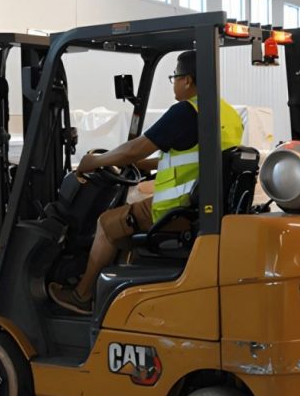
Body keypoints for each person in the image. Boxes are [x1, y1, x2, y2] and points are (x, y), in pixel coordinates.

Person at [48, 50, 244, 315]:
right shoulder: (226, 113)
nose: (174, 83)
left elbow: (133, 150)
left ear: (187, 80)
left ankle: (82, 295)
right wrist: (143, 165)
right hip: (205, 205)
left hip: (176, 211)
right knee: (124, 220)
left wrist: (93, 162)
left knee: (106, 223)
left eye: (174, 77)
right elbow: (198, 158)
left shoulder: (185, 112)